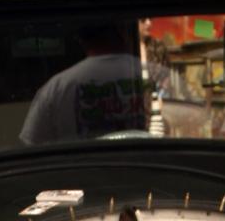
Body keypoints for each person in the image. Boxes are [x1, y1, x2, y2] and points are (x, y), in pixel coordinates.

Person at [20, 24, 148, 144]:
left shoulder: (56, 87)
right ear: (123, 32)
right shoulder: (153, 73)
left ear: (80, 39)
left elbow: (33, 143)